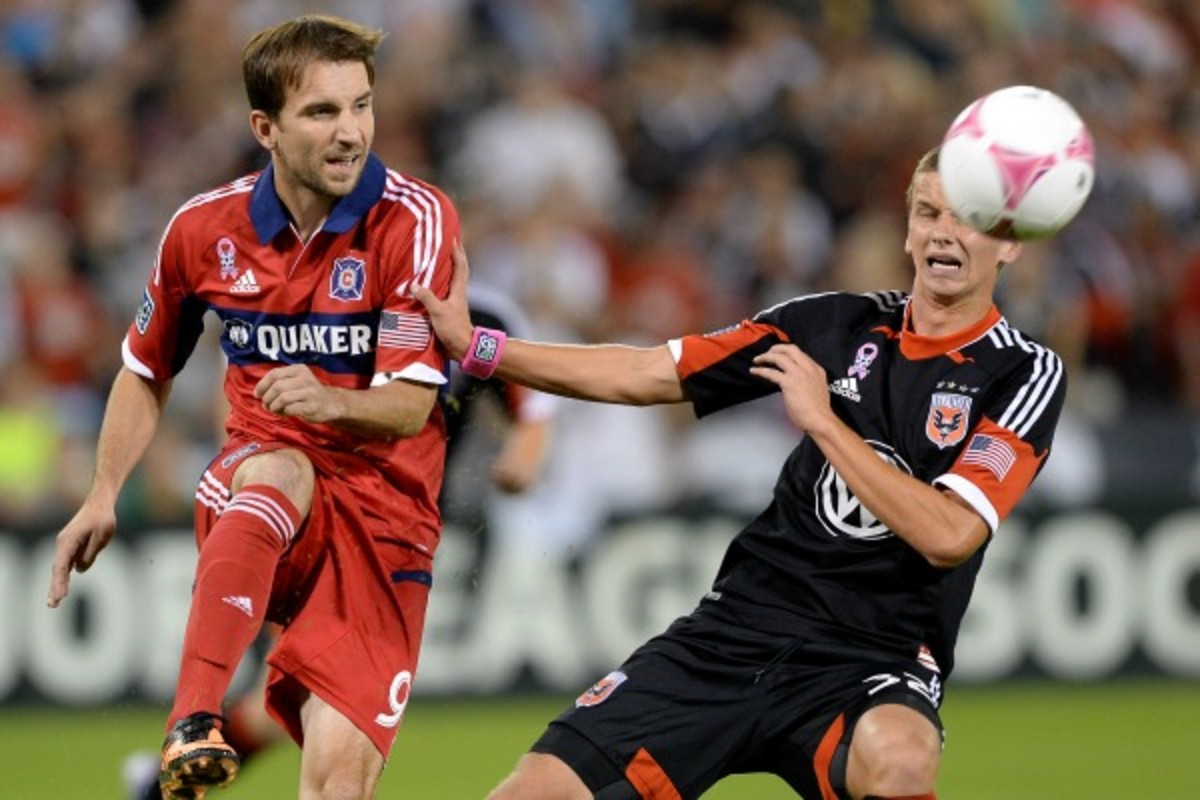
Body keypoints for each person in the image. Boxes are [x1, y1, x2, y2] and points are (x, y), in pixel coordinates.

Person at [415, 146, 1066, 800]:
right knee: (528, 795)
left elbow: (950, 533)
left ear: (1009, 244)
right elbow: (646, 373)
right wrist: (481, 346)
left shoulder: (1021, 373)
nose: (944, 232)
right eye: (927, 212)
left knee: (901, 761)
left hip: (871, 659)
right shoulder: (832, 324)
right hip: (734, 634)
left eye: (970, 219)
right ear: (908, 229)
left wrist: (823, 422)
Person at [46, 15, 461, 800]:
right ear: (264, 128)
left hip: (386, 527)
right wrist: (102, 491)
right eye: (323, 112)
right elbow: (144, 369)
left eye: (361, 106)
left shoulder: (415, 220)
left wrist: (332, 401)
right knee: (280, 465)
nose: (352, 133)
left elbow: (409, 407)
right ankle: (192, 721)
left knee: (339, 784)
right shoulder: (202, 231)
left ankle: (174, 777)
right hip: (265, 497)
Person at [123, 285, 557, 800]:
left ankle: (163, 780)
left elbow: (531, 410)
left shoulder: (481, 315)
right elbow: (237, 403)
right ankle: (174, 760)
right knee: (314, 709)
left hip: (395, 538)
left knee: (288, 707)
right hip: (308, 522)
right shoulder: (301, 293)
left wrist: (522, 462)